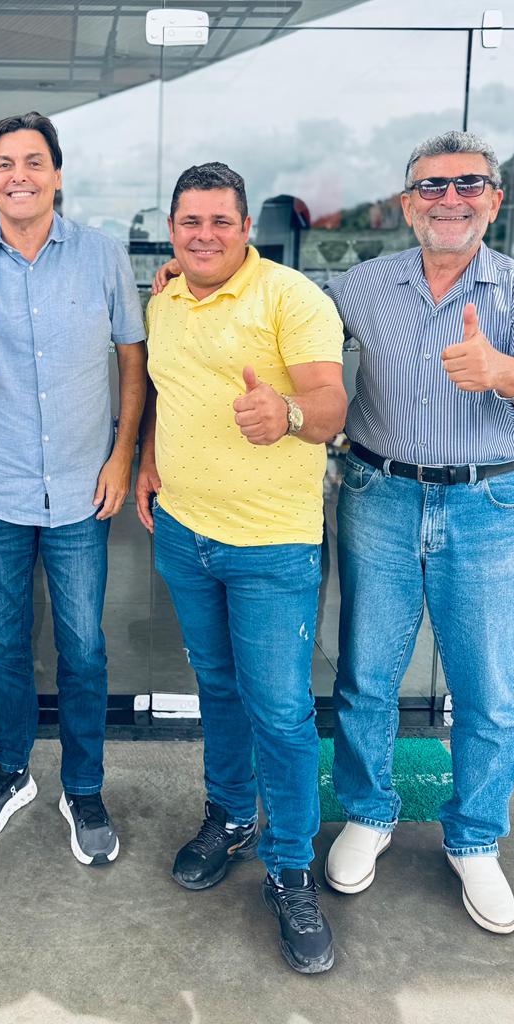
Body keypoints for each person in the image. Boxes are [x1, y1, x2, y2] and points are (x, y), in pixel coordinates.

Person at [324, 131, 514, 935]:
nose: (450, 199)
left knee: (485, 687)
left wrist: (507, 374)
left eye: (468, 184)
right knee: (366, 674)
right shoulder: (361, 285)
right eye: (433, 186)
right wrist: (191, 276)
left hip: (488, 506)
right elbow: (282, 320)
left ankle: (476, 837)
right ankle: (368, 812)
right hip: (378, 495)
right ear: (407, 202)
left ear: (493, 198)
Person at [0, 112, 146, 866]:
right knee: (2, 642)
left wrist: (122, 455)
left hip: (83, 487)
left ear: (56, 174)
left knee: (83, 646)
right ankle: (11, 770)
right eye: (4, 164)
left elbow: (132, 359)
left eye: (33, 162)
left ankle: (83, 787)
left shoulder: (103, 255)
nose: (19, 175)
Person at [137, 162, 346, 975]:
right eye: (190, 222)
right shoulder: (164, 300)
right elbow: (169, 394)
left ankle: (291, 869)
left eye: (221, 221)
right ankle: (229, 817)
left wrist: (286, 412)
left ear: (246, 227)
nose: (205, 235)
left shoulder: (292, 298)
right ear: (172, 229)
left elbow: (331, 404)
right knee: (218, 691)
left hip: (271, 546)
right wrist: (151, 463)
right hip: (185, 533)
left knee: (281, 713)